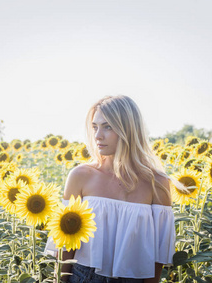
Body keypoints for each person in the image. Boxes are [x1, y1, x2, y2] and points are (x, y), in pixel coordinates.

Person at [51, 95, 176, 283]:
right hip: (82, 276)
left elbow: (157, 256)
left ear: (129, 130)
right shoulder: (80, 176)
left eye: (107, 127)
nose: (98, 136)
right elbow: (66, 243)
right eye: (95, 127)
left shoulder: (157, 183)